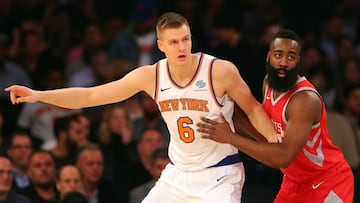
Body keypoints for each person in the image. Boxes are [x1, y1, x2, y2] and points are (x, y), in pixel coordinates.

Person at [5, 12, 280, 202]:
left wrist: (274, 140)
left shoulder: (219, 70)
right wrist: (39, 94)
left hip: (219, 173)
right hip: (178, 173)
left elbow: (254, 108)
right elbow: (90, 97)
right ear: (161, 46)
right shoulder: (151, 75)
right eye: (174, 42)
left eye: (186, 39)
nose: (182, 46)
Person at [197, 29, 354, 203]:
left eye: (291, 57)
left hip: (327, 181)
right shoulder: (268, 83)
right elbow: (267, 140)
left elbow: (282, 157)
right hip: (294, 181)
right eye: (278, 55)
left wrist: (230, 137)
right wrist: (232, 113)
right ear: (269, 56)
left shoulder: (304, 100)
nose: (283, 63)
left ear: (298, 61)